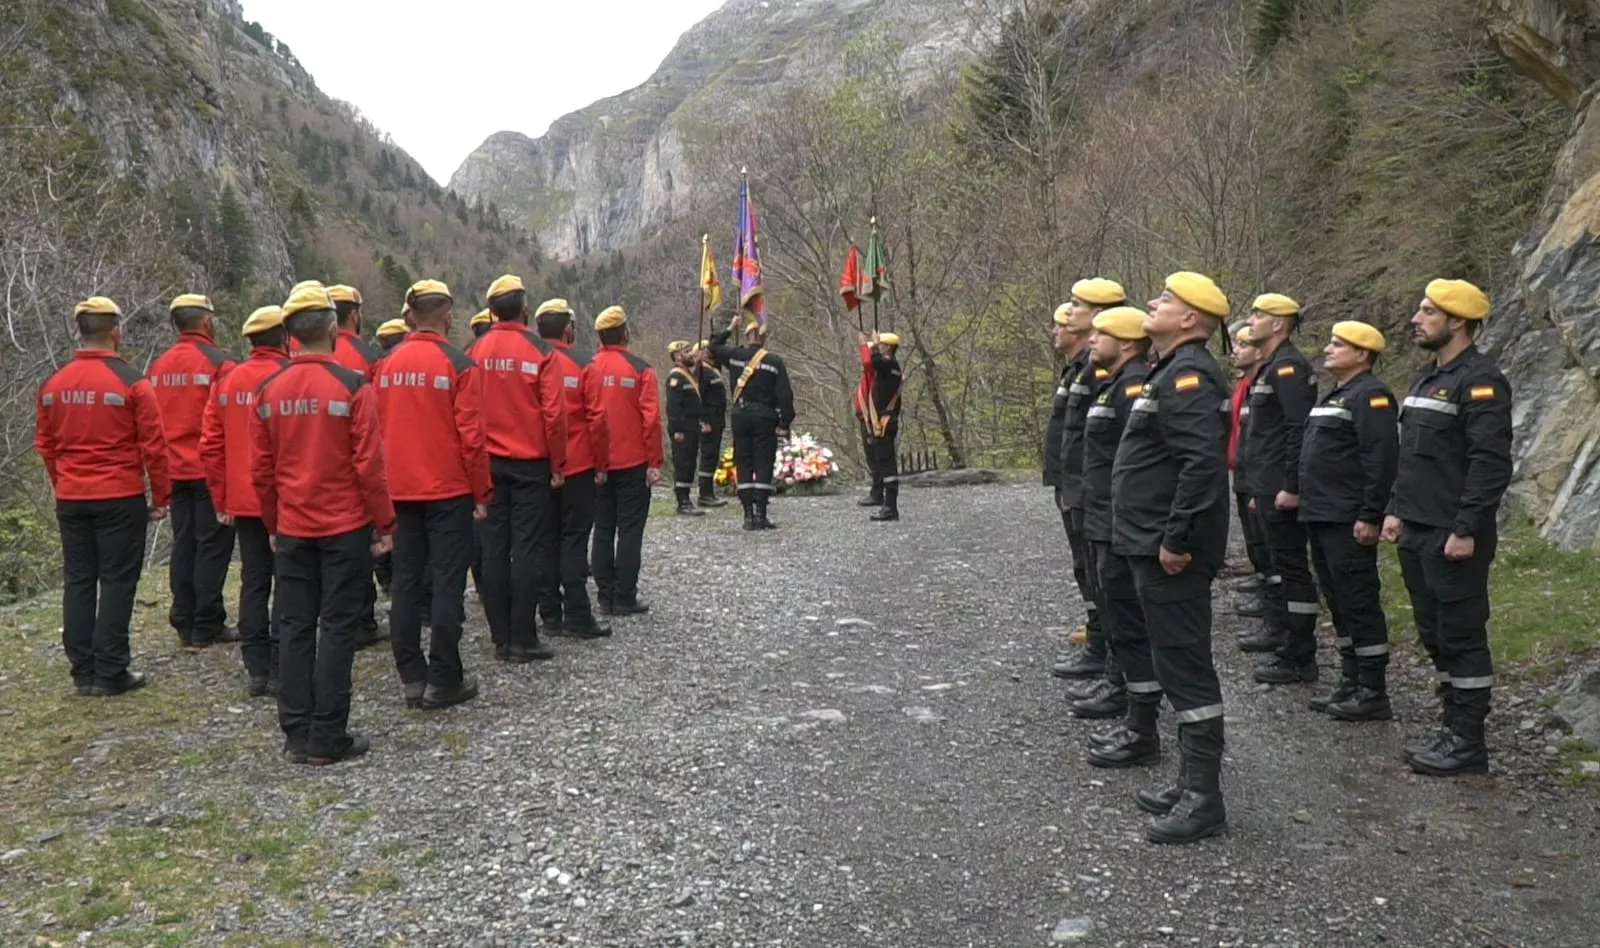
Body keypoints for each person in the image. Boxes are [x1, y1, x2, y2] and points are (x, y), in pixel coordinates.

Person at [1111, 271, 1233, 844]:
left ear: (1189, 320)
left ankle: (1205, 799)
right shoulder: (1169, 370)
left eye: (1165, 300)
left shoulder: (1189, 376)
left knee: (1185, 664)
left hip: (1169, 550)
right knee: (1171, 658)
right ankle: (1189, 781)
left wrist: (1177, 538)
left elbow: (1201, 465)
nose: (1152, 303)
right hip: (1147, 541)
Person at [251, 283, 395, 765]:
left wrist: (273, 524)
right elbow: (370, 466)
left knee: (293, 625)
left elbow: (261, 471)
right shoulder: (354, 386)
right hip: (344, 528)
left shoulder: (268, 392)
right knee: (336, 627)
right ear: (334, 329)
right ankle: (329, 735)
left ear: (289, 334)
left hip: (292, 528)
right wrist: (384, 523)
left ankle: (295, 732)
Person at [1381, 279, 1513, 777]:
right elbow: (1411, 456)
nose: (1416, 319)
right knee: (1434, 633)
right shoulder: (1425, 378)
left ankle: (1468, 742)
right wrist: (1395, 508)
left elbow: (1490, 463)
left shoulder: (1481, 380)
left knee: (1460, 635)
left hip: (1452, 534)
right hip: (1417, 529)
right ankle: (1450, 725)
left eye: (1427, 311)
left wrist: (1466, 527)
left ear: (1457, 321)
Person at [36, 296, 170, 696]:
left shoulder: (53, 384)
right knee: (116, 580)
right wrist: (161, 496)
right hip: (119, 495)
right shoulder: (132, 382)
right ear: (115, 330)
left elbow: (46, 445)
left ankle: (83, 670)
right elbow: (155, 446)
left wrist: (64, 484)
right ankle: (112, 670)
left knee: (78, 579)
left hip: (73, 497)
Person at [374, 279, 490, 707]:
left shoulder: (383, 367)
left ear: (410, 315)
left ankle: (411, 674)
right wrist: (481, 492)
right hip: (447, 490)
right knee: (447, 581)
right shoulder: (457, 365)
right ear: (447, 315)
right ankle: (444, 676)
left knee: (405, 580)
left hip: (399, 491)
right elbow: (472, 438)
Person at [1300, 322, 1398, 720]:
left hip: (1347, 518)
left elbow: (1381, 458)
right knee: (1337, 600)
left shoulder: (1371, 395)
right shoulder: (1340, 393)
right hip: (1322, 514)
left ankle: (1373, 689)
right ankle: (1350, 678)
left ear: (1362, 354)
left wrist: (1371, 514)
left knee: (1358, 601)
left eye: (1338, 345)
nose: (1328, 348)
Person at [467, 276, 568, 661]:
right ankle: (523, 638)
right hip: (530, 464)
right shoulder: (541, 351)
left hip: (488, 464)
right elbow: (554, 416)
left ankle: (501, 638)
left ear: (491, 310)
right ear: (525, 307)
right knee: (525, 548)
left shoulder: (472, 351)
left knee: (493, 549)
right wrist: (557, 464)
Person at [200, 305, 290, 697]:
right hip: (287, 499)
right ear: (285, 337)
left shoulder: (227, 382)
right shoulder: (288, 378)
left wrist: (222, 498)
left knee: (254, 580)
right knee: (289, 582)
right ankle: (283, 661)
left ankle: (256, 667)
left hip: (244, 500)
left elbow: (211, 445)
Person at [1070, 306, 1151, 724]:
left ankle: (1127, 692)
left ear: (1127, 342)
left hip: (1118, 515)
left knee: (1125, 607)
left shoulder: (1134, 385)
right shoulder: (1114, 383)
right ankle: (1116, 678)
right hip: (1101, 512)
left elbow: (1131, 458)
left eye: (1102, 334)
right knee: (1110, 600)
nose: (1092, 340)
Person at [1238, 293, 1321, 685]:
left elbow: (1296, 430)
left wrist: (1291, 485)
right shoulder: (1270, 367)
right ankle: (1286, 638)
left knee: (1292, 568)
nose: (1251, 320)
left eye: (1259, 315)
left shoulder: (1288, 368)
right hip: (1267, 485)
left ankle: (1300, 654)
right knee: (1279, 566)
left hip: (1281, 488)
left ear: (1278, 324)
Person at [148, 293, 238, 651]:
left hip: (174, 469)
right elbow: (230, 421)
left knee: (184, 543)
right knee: (213, 546)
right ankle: (207, 622)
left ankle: (183, 618)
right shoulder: (221, 363)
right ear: (207, 321)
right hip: (210, 468)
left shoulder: (160, 365)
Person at [1051, 279, 1126, 679]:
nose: (1068, 312)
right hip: (1077, 484)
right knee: (1087, 569)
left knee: (1100, 573)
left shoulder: (1100, 371)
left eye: (1077, 306)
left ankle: (1107, 653)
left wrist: (1079, 486)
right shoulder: (1083, 368)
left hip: (1092, 489)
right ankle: (1101, 641)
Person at [534, 298, 611, 639]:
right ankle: (579, 615)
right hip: (578, 465)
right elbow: (597, 419)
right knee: (574, 540)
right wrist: (602, 464)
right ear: (568, 328)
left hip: (539, 465)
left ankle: (550, 614)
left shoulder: (532, 360)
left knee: (545, 540)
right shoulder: (584, 363)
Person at [587, 306, 662, 611]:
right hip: (633, 462)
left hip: (596, 464)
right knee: (630, 530)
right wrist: (654, 461)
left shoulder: (587, 367)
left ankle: (604, 596)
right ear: (625, 332)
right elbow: (652, 419)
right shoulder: (640, 369)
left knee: (602, 529)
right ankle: (624, 595)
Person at [326, 284, 385, 648]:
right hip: (354, 466)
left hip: (310, 468)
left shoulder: (297, 355)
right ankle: (361, 619)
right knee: (358, 542)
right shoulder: (369, 357)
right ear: (355, 314)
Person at [707, 315, 795, 530]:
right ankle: (761, 514)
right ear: (764, 338)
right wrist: (785, 422)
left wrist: (730, 327)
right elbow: (785, 396)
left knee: (743, 462)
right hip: (765, 416)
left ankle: (747, 515)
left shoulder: (735, 356)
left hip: (740, 415)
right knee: (763, 463)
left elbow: (713, 346)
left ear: (746, 337)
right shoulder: (774, 361)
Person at [1225, 324, 1270, 620]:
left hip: (1256, 475)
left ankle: (1271, 598)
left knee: (1266, 539)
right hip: (1241, 470)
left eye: (1240, 344)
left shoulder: (1262, 383)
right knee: (1253, 536)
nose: (1233, 351)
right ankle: (1263, 582)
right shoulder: (1245, 382)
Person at [858, 331, 904, 522]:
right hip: (885, 422)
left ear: (887, 347)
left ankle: (890, 507)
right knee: (884, 463)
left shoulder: (889, 365)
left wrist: (868, 346)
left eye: (881, 345)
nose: (877, 347)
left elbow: (872, 362)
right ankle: (888, 505)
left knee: (886, 465)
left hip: (884, 423)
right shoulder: (890, 367)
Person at [665, 341, 705, 516]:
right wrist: (677, 430)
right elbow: (673, 407)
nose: (691, 354)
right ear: (677, 355)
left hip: (693, 425)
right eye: (687, 351)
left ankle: (687, 497)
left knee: (690, 462)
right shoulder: (676, 377)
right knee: (683, 462)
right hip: (683, 426)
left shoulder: (688, 374)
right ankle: (682, 501)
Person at [694, 342, 729, 508]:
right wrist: (703, 420)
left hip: (717, 419)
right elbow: (698, 397)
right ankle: (705, 494)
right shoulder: (703, 372)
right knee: (708, 457)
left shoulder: (713, 370)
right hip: (708, 420)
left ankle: (709, 492)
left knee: (713, 456)